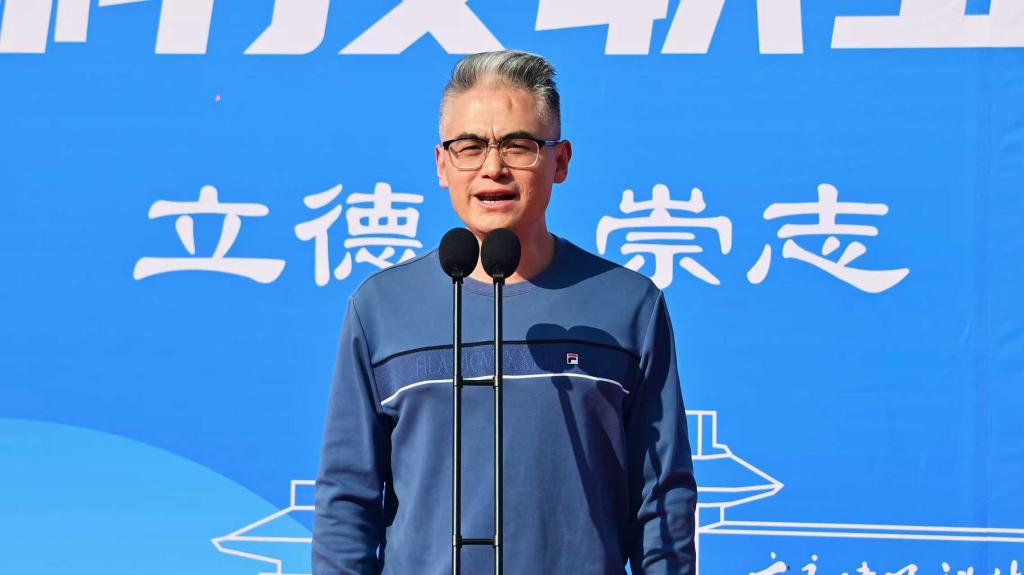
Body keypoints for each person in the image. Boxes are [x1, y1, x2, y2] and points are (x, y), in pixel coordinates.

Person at [313, 50, 697, 574]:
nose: (492, 168)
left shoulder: (628, 305)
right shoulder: (381, 308)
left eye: (518, 146)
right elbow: (347, 499)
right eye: (470, 147)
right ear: (442, 164)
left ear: (560, 161)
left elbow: (662, 500)